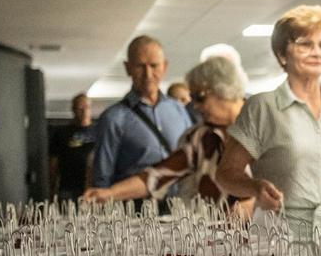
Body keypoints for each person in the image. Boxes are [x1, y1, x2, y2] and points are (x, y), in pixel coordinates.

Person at [217, 5, 321, 255]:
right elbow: (226, 174)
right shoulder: (263, 107)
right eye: (305, 44)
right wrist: (256, 188)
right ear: (281, 54)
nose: (317, 52)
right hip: (283, 242)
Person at [83, 56, 249, 210]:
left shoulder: (263, 126)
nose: (195, 107)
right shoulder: (200, 136)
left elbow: (274, 182)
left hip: (267, 232)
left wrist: (251, 205)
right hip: (217, 236)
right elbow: (157, 175)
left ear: (222, 90)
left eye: (199, 98)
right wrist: (110, 193)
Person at [90, 35, 193, 192]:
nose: (148, 74)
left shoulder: (178, 110)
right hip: (135, 210)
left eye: (154, 66)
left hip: (180, 208)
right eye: (140, 66)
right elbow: (102, 177)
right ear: (127, 67)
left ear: (164, 66)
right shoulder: (114, 118)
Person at [49, 93, 96, 202]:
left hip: (93, 187)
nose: (84, 111)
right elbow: (53, 164)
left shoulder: (99, 132)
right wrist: (51, 189)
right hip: (68, 188)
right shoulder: (61, 133)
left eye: (87, 107)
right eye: (80, 108)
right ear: (73, 110)